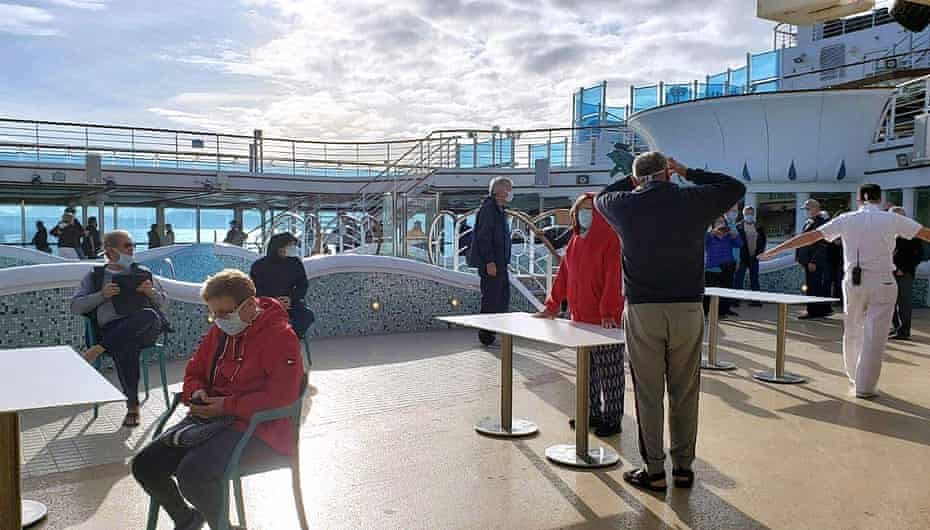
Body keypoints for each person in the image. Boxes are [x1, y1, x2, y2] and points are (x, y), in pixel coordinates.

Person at [595, 151, 745, 491]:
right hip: (688, 308)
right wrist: (688, 170)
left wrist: (633, 181)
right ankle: (682, 468)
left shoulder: (622, 205)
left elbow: (602, 196)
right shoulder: (693, 199)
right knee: (685, 392)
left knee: (648, 395)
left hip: (643, 310)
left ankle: (654, 472)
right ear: (668, 172)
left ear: (635, 179)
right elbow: (735, 186)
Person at [132, 269, 303, 530]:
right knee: (145, 464)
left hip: (261, 431)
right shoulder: (220, 331)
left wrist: (227, 405)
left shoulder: (280, 336)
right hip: (213, 421)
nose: (218, 320)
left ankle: (222, 526)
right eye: (213, 313)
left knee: (194, 473)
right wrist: (196, 391)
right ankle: (187, 519)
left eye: (224, 313)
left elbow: (282, 398)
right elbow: (195, 370)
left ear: (248, 305)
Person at [761, 184, 930, 398]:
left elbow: (812, 237)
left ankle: (854, 377)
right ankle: (865, 387)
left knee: (852, 331)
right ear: (879, 199)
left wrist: (775, 251)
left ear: (859, 200)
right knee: (875, 337)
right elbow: (925, 234)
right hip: (884, 282)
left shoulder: (847, 219)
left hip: (854, 282)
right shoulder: (892, 219)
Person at [534, 193, 625, 437]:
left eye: (591, 210)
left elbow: (613, 278)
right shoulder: (575, 240)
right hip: (580, 318)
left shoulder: (610, 239)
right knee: (587, 371)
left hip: (605, 320)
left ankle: (612, 418)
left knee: (610, 371)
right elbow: (564, 275)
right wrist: (552, 306)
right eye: (581, 209)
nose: (586, 214)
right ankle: (591, 412)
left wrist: (608, 311)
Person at [71, 230, 167, 427]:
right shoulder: (95, 276)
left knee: (148, 315)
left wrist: (150, 292)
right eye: (127, 246)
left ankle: (98, 349)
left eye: (132, 245)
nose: (132, 249)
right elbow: (76, 306)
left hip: (145, 328)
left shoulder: (142, 272)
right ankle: (133, 407)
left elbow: (164, 304)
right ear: (111, 251)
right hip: (114, 331)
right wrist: (101, 295)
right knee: (126, 344)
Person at [468, 176, 513, 346]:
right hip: (493, 263)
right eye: (507, 189)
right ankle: (486, 334)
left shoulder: (499, 210)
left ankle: (494, 331)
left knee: (501, 298)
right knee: (491, 299)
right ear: (499, 191)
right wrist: (489, 261)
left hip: (501, 263)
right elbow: (484, 237)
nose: (509, 194)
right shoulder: (488, 209)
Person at [250, 232, 315, 344]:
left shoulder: (295, 263)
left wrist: (291, 298)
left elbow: (302, 285)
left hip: (291, 303)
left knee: (307, 316)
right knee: (262, 321)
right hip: (267, 305)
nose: (293, 248)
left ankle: (289, 342)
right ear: (279, 247)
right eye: (290, 245)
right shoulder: (259, 266)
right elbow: (255, 289)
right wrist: (274, 300)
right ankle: (274, 344)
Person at [890, 206, 923, 340]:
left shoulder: (912, 232)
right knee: (889, 303)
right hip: (888, 272)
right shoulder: (888, 232)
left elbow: (918, 254)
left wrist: (903, 269)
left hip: (905, 274)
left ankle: (904, 331)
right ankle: (896, 328)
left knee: (904, 303)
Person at [796, 199, 833, 319]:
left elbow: (822, 244)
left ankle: (813, 311)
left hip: (814, 261)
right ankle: (817, 310)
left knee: (814, 287)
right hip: (808, 260)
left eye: (808, 209)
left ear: (816, 208)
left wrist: (814, 261)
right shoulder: (810, 221)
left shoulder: (821, 222)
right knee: (812, 286)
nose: (806, 211)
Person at [704, 217, 742, 318]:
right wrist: (711, 233)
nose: (721, 224)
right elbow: (702, 242)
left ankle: (724, 311)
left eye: (722, 222)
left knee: (726, 290)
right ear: (713, 224)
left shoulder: (729, 236)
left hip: (728, 266)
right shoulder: (709, 236)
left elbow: (740, 244)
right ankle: (707, 311)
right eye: (718, 222)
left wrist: (735, 235)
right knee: (710, 291)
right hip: (713, 267)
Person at [735, 206, 767, 306]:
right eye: (747, 213)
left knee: (754, 279)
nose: (749, 215)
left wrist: (761, 253)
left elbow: (763, 241)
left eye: (751, 213)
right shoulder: (738, 227)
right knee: (738, 280)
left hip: (754, 257)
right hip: (742, 257)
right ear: (743, 214)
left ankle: (756, 301)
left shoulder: (759, 226)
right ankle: (735, 301)